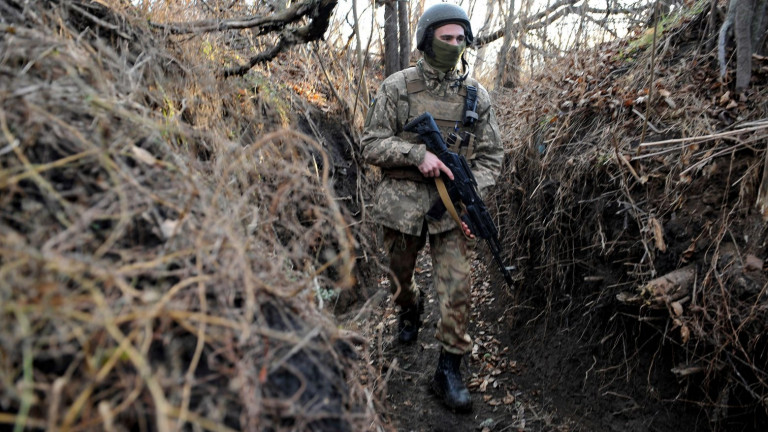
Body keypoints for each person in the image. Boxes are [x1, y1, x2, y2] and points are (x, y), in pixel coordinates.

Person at [361, 3, 504, 412]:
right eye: (447, 39)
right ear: (426, 41)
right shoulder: (397, 87)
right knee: (398, 279)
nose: (455, 46)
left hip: (452, 207)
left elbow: (493, 156)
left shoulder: (478, 96)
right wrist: (416, 154)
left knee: (458, 286)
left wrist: (470, 190)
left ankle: (449, 369)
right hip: (401, 205)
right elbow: (371, 143)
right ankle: (410, 308)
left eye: (461, 39)